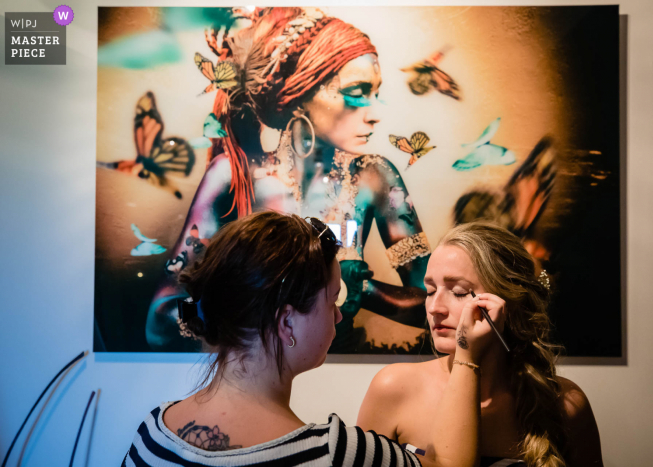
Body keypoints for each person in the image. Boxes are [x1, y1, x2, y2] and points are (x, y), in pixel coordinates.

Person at [146, 7, 430, 353]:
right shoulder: (234, 175)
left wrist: (364, 290)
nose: (374, 114)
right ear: (302, 92)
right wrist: (254, 299)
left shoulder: (375, 177)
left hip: (344, 378)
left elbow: (432, 306)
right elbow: (159, 319)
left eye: (374, 93)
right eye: (357, 91)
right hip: (254, 379)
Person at [123, 211, 499, 466]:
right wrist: (467, 357)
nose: (338, 313)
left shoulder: (152, 433)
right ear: (287, 322)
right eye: (332, 299)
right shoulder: (333, 453)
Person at [357, 222, 604, 467]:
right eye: (430, 290)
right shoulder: (394, 388)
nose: (434, 308)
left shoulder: (566, 404)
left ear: (510, 301)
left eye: (460, 292)